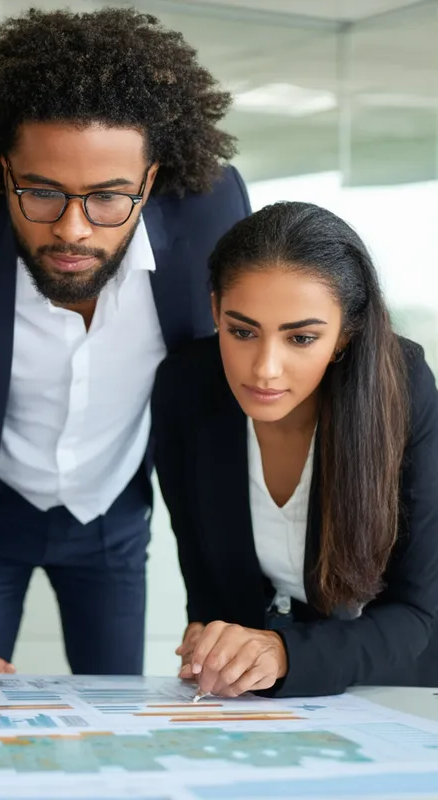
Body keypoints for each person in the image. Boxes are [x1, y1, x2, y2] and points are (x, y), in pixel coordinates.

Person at [0, 7, 250, 675]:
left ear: (149, 182)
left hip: (114, 513)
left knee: (116, 702)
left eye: (107, 198)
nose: (73, 230)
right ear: (3, 170)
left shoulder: (211, 218)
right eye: (40, 192)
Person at [153, 201, 438, 698]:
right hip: (263, 703)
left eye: (301, 338)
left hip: (394, 682)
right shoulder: (185, 386)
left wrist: (283, 653)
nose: (264, 368)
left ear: (345, 333)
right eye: (242, 331)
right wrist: (210, 636)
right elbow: (205, 585)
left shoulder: (403, 387)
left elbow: (418, 614)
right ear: (215, 307)